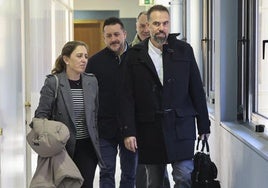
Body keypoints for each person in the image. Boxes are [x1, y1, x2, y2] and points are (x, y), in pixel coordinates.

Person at [120, 5, 211, 188]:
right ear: (148, 26)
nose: (161, 28)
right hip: (150, 128)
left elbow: (196, 90)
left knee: (184, 175)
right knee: (155, 182)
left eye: (165, 23)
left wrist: (204, 124)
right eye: (156, 23)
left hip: (181, 124)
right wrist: (128, 131)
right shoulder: (133, 56)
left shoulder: (184, 50)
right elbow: (126, 97)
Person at [33, 40, 104, 188]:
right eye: (79, 56)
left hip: (87, 147)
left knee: (86, 184)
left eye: (86, 56)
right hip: (62, 148)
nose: (84, 59)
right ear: (66, 59)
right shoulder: (54, 82)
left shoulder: (92, 81)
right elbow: (40, 116)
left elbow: (94, 115)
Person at [85, 17, 138, 188]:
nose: (113, 39)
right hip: (104, 129)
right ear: (104, 37)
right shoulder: (94, 63)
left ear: (125, 34)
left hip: (131, 128)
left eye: (117, 34)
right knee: (106, 173)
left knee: (130, 174)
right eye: (109, 35)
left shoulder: (138, 58)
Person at [131, 11, 171, 188]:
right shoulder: (132, 54)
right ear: (137, 27)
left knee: (158, 171)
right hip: (142, 122)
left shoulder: (167, 49)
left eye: (148, 26)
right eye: (142, 26)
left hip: (163, 119)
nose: (146, 30)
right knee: (143, 170)